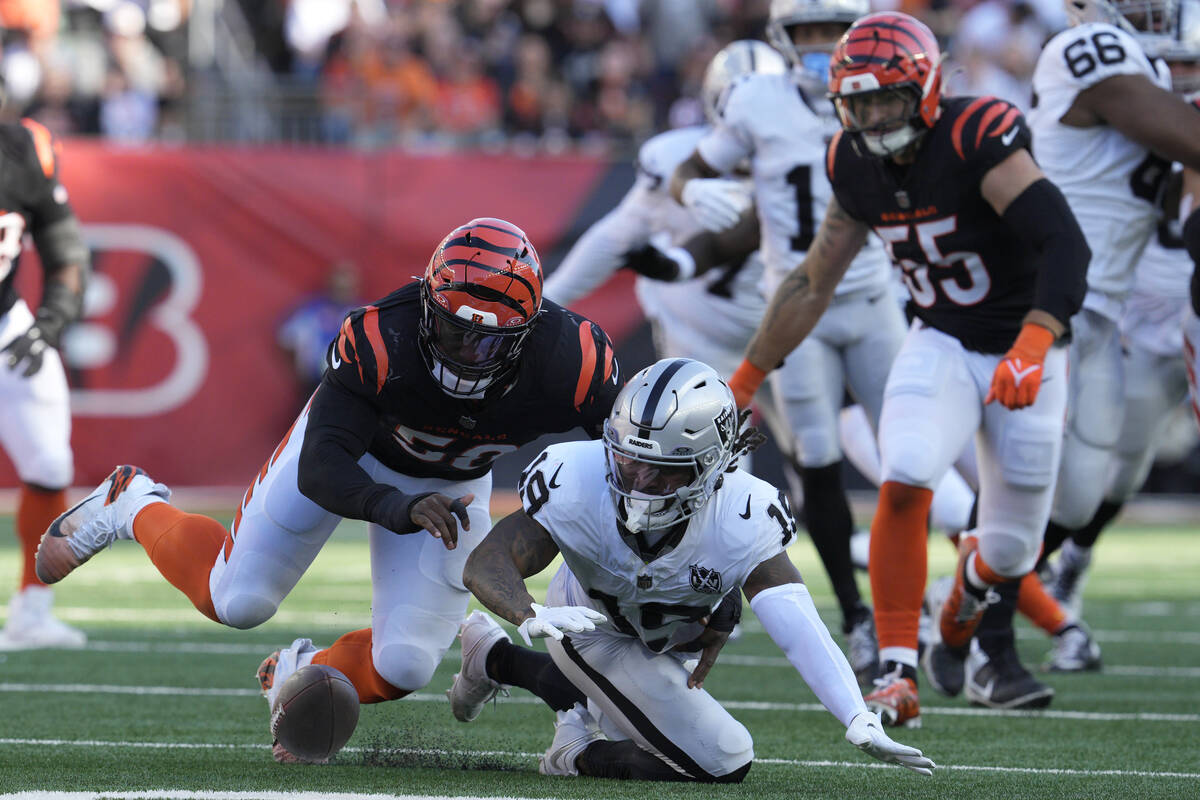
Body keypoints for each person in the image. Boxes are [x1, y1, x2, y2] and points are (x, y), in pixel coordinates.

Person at [34, 217, 621, 761]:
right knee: (236, 600)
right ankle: (130, 502)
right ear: (426, 305)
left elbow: (621, 459)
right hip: (355, 459)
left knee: (406, 667)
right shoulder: (379, 338)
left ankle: (295, 669)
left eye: (486, 342)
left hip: (453, 484)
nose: (465, 352)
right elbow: (321, 468)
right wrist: (398, 506)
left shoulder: (575, 359)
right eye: (450, 328)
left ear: (526, 333)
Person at [726, 11, 1091, 724]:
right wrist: (744, 380)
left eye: (886, 98)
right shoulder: (853, 162)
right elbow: (812, 281)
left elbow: (1065, 244)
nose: (872, 116)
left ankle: (960, 612)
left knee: (1010, 552)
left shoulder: (976, 136)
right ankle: (897, 670)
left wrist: (1035, 342)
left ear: (923, 89)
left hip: (1026, 345)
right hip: (943, 340)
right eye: (857, 103)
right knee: (904, 477)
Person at [456, 357, 934, 782]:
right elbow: (486, 562)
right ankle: (575, 752)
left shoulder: (744, 513)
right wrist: (527, 613)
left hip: (666, 633)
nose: (640, 484)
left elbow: (797, 624)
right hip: (587, 625)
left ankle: (494, 657)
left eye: (663, 469)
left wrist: (856, 714)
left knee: (636, 710)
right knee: (722, 758)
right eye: (629, 462)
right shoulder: (575, 480)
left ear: (711, 466)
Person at [669, 0, 901, 684]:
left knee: (916, 457)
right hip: (798, 302)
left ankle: (955, 607)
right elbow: (689, 168)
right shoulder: (756, 101)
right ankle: (860, 618)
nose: (823, 45)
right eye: (809, 33)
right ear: (783, 39)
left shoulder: (885, 89)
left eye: (834, 31)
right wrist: (691, 195)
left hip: (874, 291)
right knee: (821, 460)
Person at [1030, 0, 1200, 571]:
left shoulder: (1147, 74)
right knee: (1026, 487)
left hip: (1105, 309)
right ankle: (970, 623)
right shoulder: (1088, 51)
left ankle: (976, 611)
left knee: (1078, 498)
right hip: (1054, 302)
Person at [0, 117, 91, 650]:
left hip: (7, 325)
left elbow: (66, 251)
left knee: (50, 464)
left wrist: (49, 325)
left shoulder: (23, 149)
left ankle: (32, 612)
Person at [276, 259, 362, 405]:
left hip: (343, 389)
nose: (341, 292)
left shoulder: (359, 316)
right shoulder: (314, 309)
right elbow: (286, 337)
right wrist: (301, 361)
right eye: (338, 287)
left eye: (346, 288)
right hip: (312, 384)